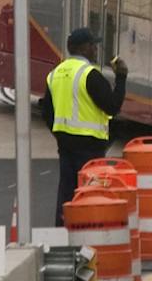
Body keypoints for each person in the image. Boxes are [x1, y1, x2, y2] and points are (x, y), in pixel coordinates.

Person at [35, 28, 128, 226]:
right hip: (90, 145)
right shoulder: (90, 75)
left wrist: (59, 132)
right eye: (92, 45)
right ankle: (88, 229)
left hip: (65, 143)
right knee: (90, 191)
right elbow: (112, 106)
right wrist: (121, 77)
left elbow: (46, 111)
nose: (95, 49)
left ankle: (63, 230)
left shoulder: (55, 74)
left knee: (66, 191)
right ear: (79, 48)